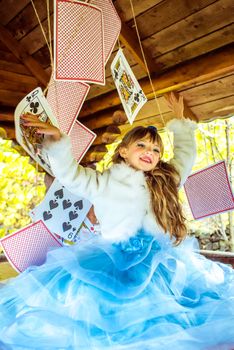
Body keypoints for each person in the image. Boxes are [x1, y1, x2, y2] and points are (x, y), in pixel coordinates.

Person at [0, 93, 233, 350]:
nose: (150, 152)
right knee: (108, 315)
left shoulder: (165, 180)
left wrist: (180, 123)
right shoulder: (102, 182)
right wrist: (58, 144)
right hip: (113, 259)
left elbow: (185, 156)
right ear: (123, 151)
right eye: (141, 146)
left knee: (164, 318)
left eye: (156, 149)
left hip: (158, 262)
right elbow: (70, 175)